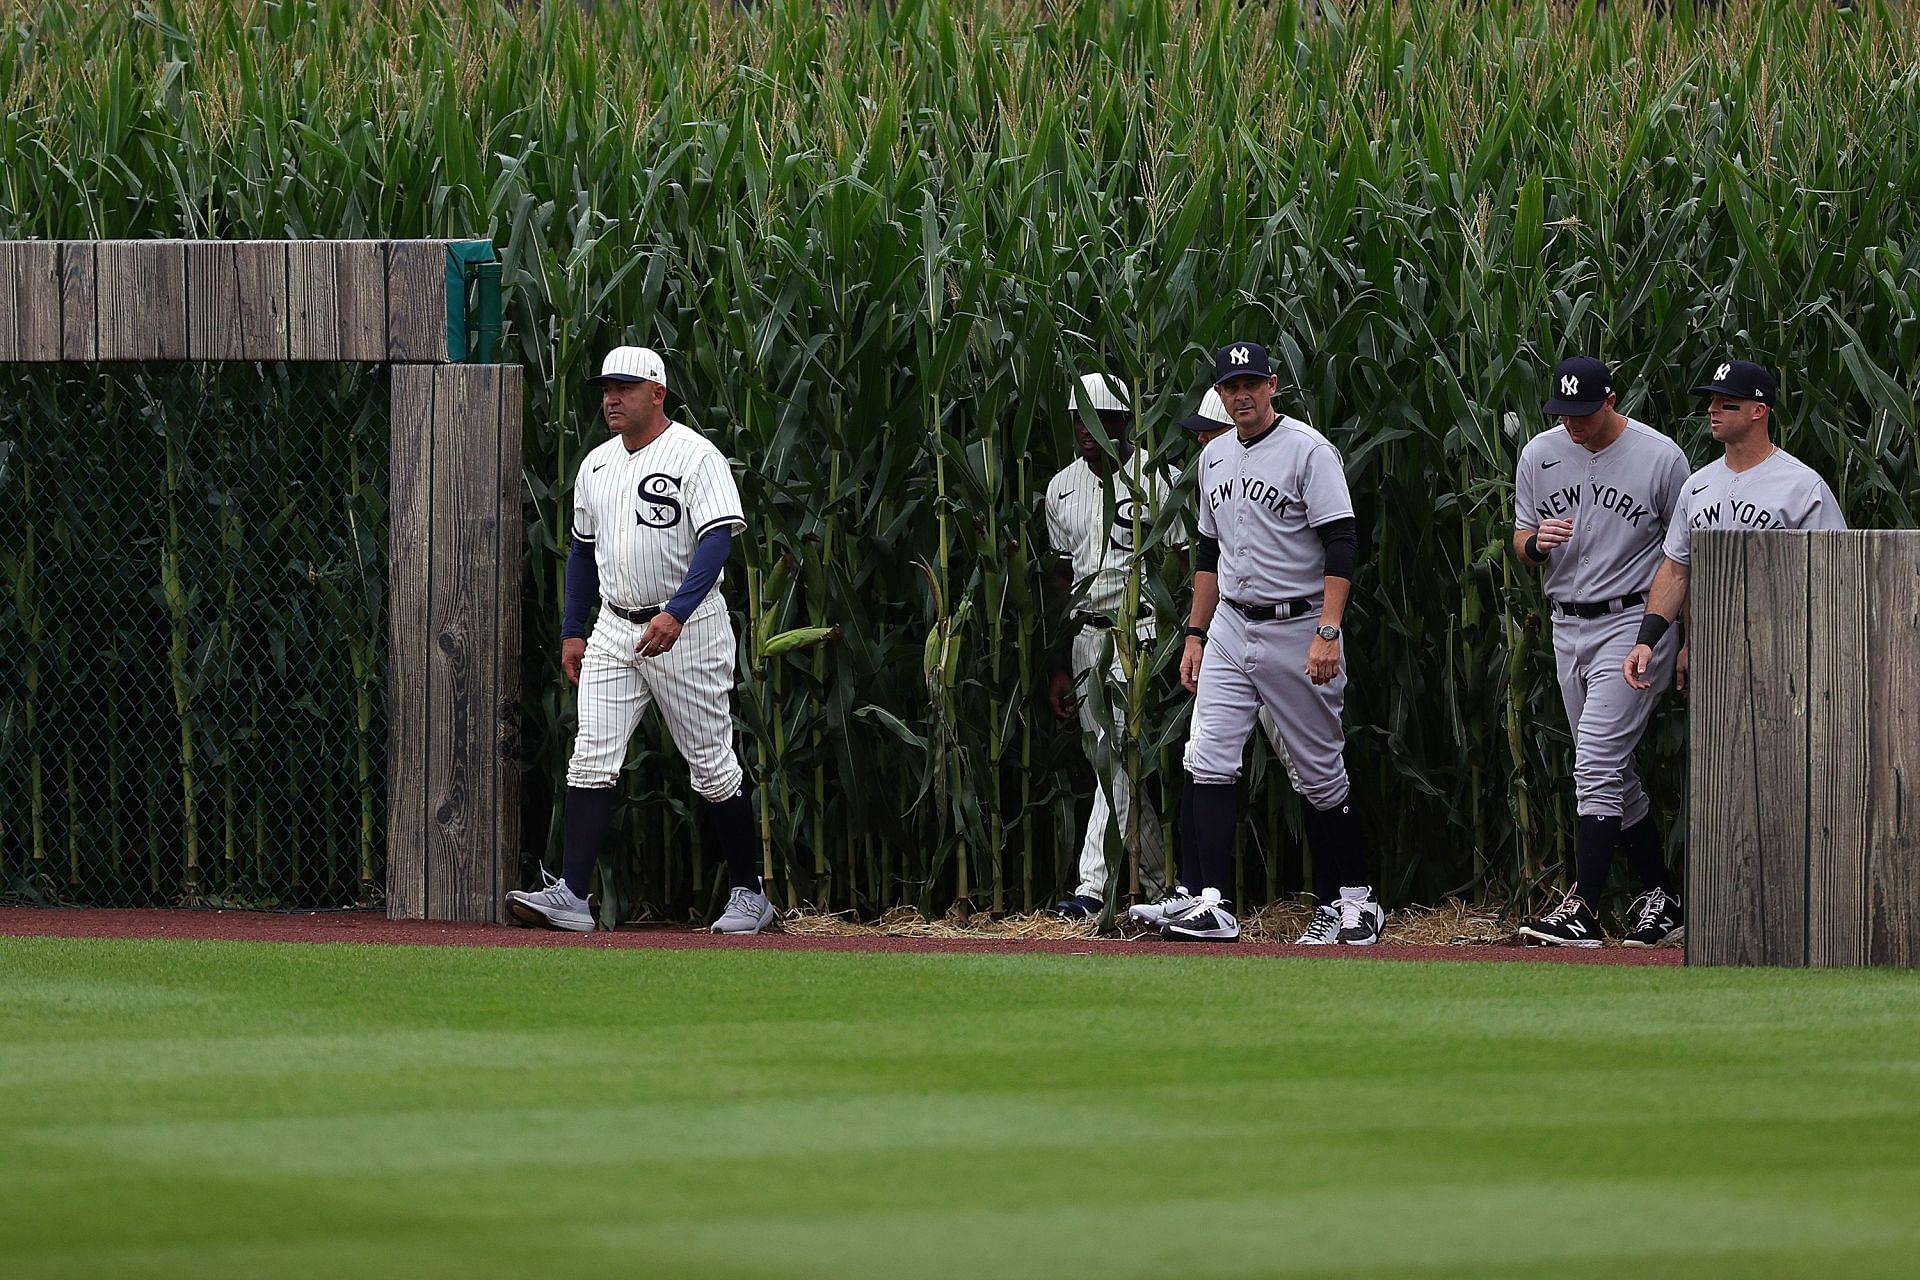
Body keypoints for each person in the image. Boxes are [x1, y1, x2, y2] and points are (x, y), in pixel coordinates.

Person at [505, 346, 772, 935]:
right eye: (606, 389)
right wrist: (573, 630)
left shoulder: (696, 456)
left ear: (658, 393)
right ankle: (573, 895)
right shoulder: (597, 465)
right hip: (614, 625)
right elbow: (580, 550)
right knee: (591, 756)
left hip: (689, 629)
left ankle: (750, 895)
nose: (611, 399)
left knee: (712, 767)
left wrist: (676, 613)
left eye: (624, 388)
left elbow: (719, 538)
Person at [1132, 343, 1382, 945]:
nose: (1240, 394)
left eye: (1251, 383)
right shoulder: (1214, 456)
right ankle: (1210, 902)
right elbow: (1208, 553)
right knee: (1207, 756)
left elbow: (1342, 545)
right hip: (1230, 625)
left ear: (1272, 385)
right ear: (1219, 395)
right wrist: (1194, 633)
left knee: (1320, 772)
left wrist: (1328, 630)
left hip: (1297, 626)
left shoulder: (1307, 450)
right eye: (1229, 386)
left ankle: (1355, 901)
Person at [1618, 358, 1846, 943]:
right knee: (1725, 788)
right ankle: (1729, 917)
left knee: (1793, 784)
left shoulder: (1801, 486)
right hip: (1721, 661)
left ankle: (1810, 915)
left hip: (1791, 658)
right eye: (1712, 400)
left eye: (1727, 401)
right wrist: (1654, 640)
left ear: (1759, 410)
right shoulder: (1699, 485)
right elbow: (1675, 570)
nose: (1713, 409)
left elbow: (1841, 575)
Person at [1512, 356, 1690, 948]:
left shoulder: (1660, 457)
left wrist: (1680, 639)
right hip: (1568, 624)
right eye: (1563, 414)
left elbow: (1685, 556)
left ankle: (1583, 908)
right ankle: (1661, 898)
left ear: (1610, 400)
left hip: (1633, 622)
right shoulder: (1540, 452)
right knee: (1613, 769)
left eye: (1583, 413)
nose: (1573, 424)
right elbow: (1518, 536)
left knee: (1593, 760)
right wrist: (1536, 542)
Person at [1045, 372, 1177, 919]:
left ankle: (1091, 889)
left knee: (1117, 759)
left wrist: (1176, 639)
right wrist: (1056, 662)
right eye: (1077, 418)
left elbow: (1182, 561)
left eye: (1096, 419)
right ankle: (1156, 878)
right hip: (1084, 639)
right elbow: (1057, 580)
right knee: (1114, 759)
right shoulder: (1061, 487)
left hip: (1138, 636)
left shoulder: (1155, 477)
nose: (1084, 429)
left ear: (1122, 422)